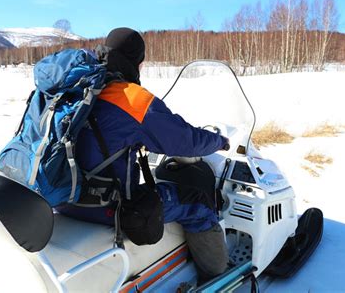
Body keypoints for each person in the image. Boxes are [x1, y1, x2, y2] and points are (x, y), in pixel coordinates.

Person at [56, 27, 229, 283]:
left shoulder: (72, 90)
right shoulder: (130, 98)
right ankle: (219, 278)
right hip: (106, 207)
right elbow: (185, 142)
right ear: (139, 62)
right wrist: (220, 141)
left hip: (61, 198)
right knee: (198, 203)